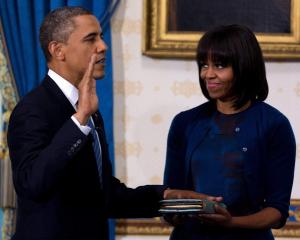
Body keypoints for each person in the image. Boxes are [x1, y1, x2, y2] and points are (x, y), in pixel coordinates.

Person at [7, 6, 200, 240]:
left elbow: (103, 196)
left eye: (101, 37)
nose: (103, 46)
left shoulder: (88, 110)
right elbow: (32, 184)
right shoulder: (33, 109)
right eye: (91, 39)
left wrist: (164, 196)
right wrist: (79, 121)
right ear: (58, 50)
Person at [163, 24, 296, 240]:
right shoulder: (184, 123)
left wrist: (231, 222)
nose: (208, 74)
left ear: (244, 66)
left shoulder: (274, 125)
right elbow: (170, 193)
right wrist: (173, 212)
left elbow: (277, 211)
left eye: (220, 65)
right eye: (204, 65)